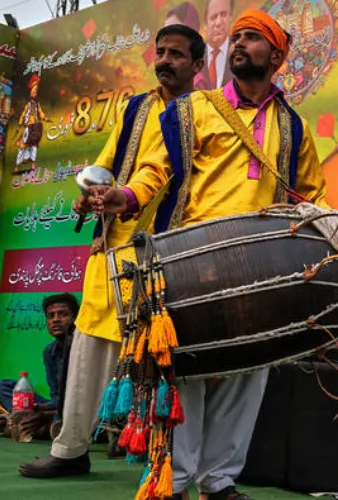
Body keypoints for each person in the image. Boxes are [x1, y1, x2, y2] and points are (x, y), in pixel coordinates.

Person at [88, 9, 338, 499]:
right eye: (238, 37)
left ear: (277, 55)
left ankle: (219, 481)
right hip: (193, 258)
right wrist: (126, 197)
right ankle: (174, 482)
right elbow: (155, 169)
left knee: (248, 371)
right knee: (188, 372)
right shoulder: (195, 108)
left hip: (265, 262)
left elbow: (310, 198)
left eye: (253, 37)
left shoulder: (293, 126)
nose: (241, 44)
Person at [18, 24, 205, 479]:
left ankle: (167, 465)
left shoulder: (204, 112)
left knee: (163, 359)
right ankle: (70, 450)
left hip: (169, 248)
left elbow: (171, 174)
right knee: (87, 349)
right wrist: (90, 196)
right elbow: (104, 166)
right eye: (160, 52)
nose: (165, 61)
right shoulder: (136, 108)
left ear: (199, 64)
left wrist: (128, 196)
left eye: (177, 54)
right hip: (114, 244)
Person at [0, 293, 78, 438]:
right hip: (58, 405)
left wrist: (46, 411)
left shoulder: (83, 349)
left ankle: (40, 425)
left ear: (75, 319)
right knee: (4, 386)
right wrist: (40, 408)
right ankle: (31, 421)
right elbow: (56, 395)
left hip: (80, 407)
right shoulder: (49, 351)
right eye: (51, 316)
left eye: (63, 314)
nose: (56, 320)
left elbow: (83, 397)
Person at [195, 0, 234, 90]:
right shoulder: (194, 57)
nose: (218, 22)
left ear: (230, 18)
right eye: (213, 17)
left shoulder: (240, 52)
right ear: (205, 25)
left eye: (223, 15)